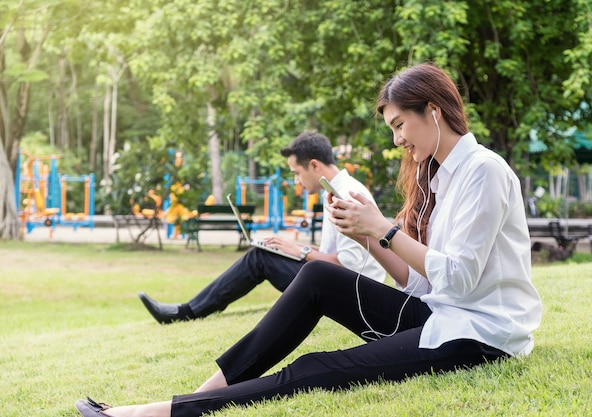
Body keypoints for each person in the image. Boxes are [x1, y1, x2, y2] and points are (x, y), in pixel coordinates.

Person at [75, 63, 542, 417]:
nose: (397, 139)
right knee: (318, 275)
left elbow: (459, 281)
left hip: (479, 335)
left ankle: (161, 412)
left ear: (433, 112)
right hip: (442, 313)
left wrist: (382, 228)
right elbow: (419, 283)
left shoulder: (484, 171)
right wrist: (368, 232)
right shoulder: (440, 180)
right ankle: (202, 393)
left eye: (400, 124)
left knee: (317, 368)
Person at [138, 131, 387, 324]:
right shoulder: (333, 191)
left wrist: (298, 251)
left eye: (296, 173)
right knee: (266, 253)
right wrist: (295, 248)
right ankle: (190, 309)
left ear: (314, 165)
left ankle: (188, 312)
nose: (296, 181)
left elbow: (351, 268)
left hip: (354, 295)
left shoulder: (347, 196)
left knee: (260, 258)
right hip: (340, 283)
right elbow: (336, 256)